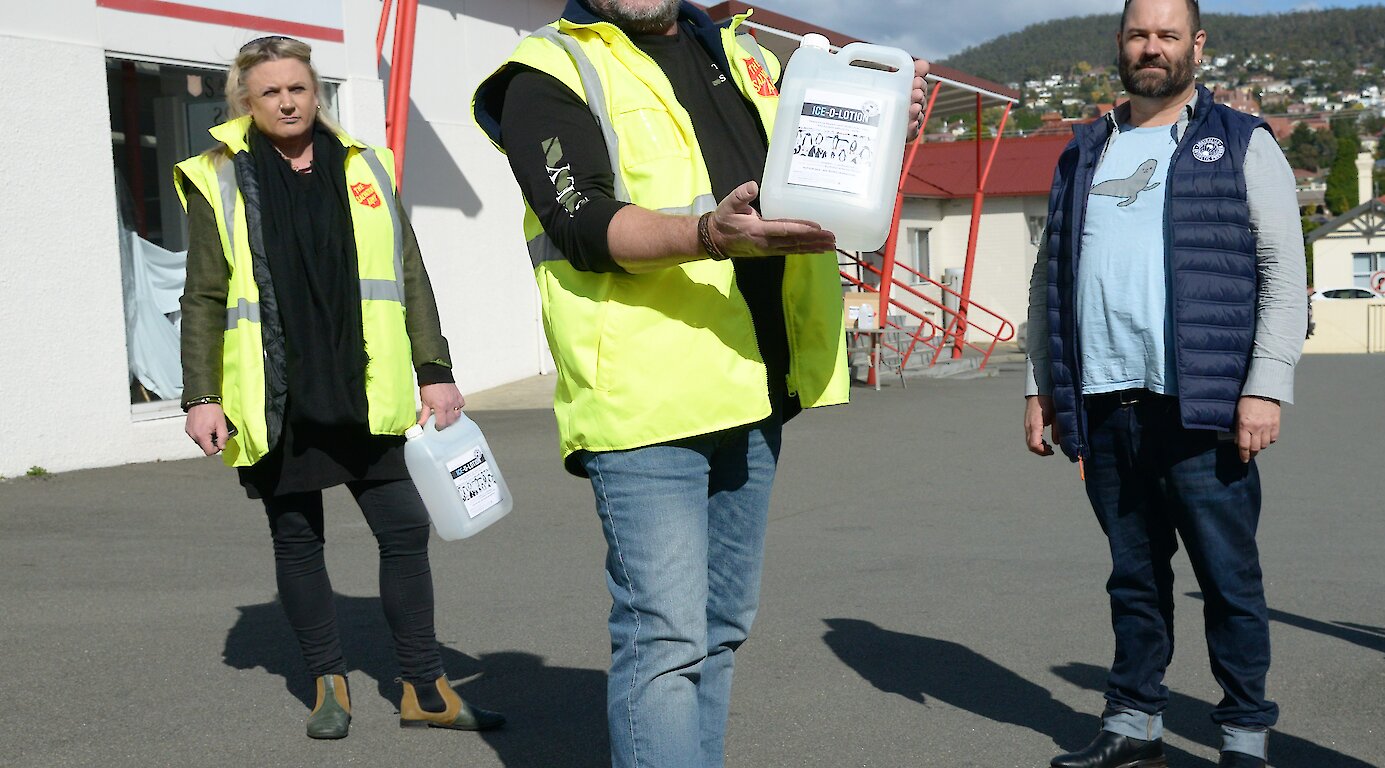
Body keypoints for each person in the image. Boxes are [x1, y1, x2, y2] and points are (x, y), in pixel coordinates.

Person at [470, 2, 926, 765]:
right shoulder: (545, 71)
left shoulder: (742, 53)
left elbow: (806, 172)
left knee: (718, 632)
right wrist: (708, 233)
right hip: (646, 400)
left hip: (753, 386)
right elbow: (581, 220)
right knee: (666, 642)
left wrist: (879, 127)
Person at [175, 36, 504, 739]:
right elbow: (204, 294)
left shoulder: (366, 165)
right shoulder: (217, 175)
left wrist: (435, 371)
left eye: (297, 87)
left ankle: (424, 687)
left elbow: (407, 274)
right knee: (296, 540)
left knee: (406, 528)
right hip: (277, 391)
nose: (287, 101)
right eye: (270, 92)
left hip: (365, 384)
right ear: (246, 101)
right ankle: (329, 683)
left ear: (314, 91)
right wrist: (202, 394)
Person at [1022, 0, 1308, 765]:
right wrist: (1038, 382)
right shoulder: (1085, 151)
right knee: (1133, 577)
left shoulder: (1241, 142)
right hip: (1104, 401)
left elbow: (1285, 274)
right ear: (1121, 43)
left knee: (1227, 580)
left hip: (1205, 404)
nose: (1153, 48)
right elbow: (1049, 275)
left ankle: (1245, 735)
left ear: (1197, 45)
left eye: (1168, 35)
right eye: (1140, 34)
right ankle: (1135, 723)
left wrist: (1265, 385)